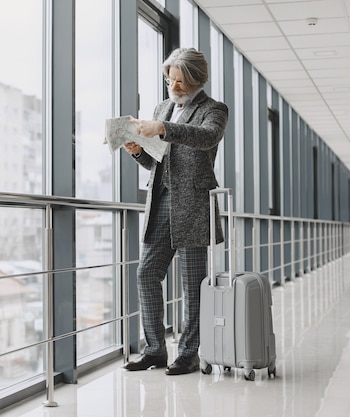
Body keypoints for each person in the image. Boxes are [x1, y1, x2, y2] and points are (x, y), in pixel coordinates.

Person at [122, 48, 228, 375]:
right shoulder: (162, 108)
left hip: (194, 206)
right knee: (146, 274)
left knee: (192, 285)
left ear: (197, 79)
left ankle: (188, 354)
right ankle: (155, 349)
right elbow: (157, 161)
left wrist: (163, 129)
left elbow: (206, 138)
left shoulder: (214, 109)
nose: (174, 86)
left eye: (181, 81)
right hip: (162, 203)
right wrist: (138, 151)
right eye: (170, 79)